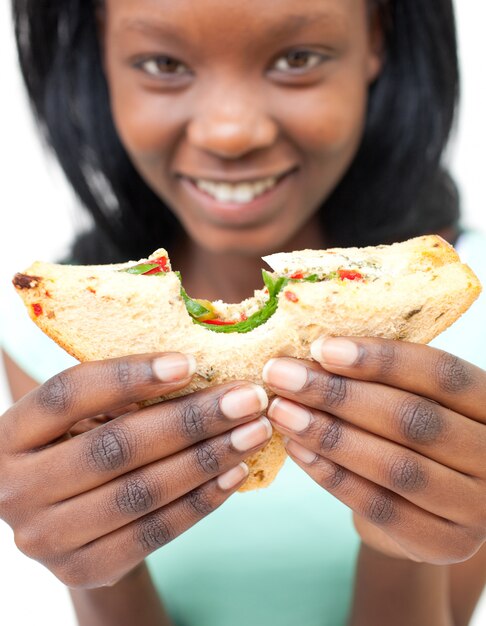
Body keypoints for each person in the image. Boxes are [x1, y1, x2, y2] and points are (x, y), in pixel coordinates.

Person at [1, 1, 485, 625]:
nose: (230, 133)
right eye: (163, 62)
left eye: (296, 58)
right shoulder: (47, 341)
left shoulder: (464, 315)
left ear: (378, 41)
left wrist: (403, 542)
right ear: (98, 61)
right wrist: (96, 571)